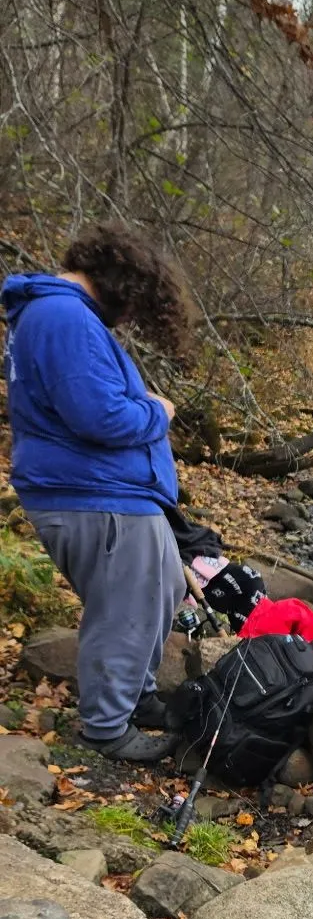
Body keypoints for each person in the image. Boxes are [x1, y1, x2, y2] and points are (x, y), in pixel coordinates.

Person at [2, 223, 190, 762]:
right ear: (121, 281)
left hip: (112, 494)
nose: (129, 318)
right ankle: (107, 730)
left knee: (161, 592)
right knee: (123, 611)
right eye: (133, 305)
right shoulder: (62, 317)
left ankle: (136, 697)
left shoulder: (59, 316)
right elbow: (100, 418)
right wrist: (159, 410)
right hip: (93, 495)